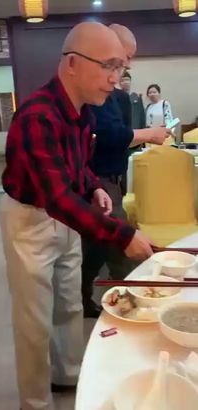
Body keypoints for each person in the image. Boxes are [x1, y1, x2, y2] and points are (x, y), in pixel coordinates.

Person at [0, 22, 158, 410]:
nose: (115, 79)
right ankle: (35, 402)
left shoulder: (83, 113)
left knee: (70, 302)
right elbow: (54, 195)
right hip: (29, 218)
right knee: (34, 319)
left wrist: (94, 186)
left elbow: (75, 169)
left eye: (121, 68)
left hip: (65, 213)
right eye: (109, 66)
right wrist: (122, 235)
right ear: (72, 64)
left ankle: (68, 374)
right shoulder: (37, 115)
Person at [82, 24, 171, 318]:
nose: (125, 67)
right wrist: (146, 134)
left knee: (98, 247)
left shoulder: (119, 96)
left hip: (110, 179)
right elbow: (111, 133)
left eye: (127, 60)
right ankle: (131, 309)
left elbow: (119, 134)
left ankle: (96, 296)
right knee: (120, 247)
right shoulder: (90, 95)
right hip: (98, 181)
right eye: (120, 59)